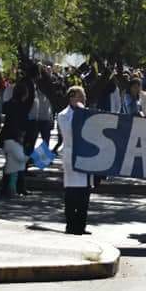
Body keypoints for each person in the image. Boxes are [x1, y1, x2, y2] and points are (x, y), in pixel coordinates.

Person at [58, 86, 92, 235]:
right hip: (71, 157)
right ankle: (71, 225)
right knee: (72, 194)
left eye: (84, 96)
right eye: (80, 96)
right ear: (71, 98)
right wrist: (79, 112)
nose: (83, 99)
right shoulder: (63, 115)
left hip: (86, 157)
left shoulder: (87, 113)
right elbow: (70, 132)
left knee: (85, 193)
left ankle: (81, 225)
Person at [0, 82, 29, 197]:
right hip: (16, 136)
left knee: (11, 162)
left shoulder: (8, 104)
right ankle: (14, 188)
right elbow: (21, 123)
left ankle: (9, 187)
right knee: (17, 162)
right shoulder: (22, 107)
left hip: (6, 136)